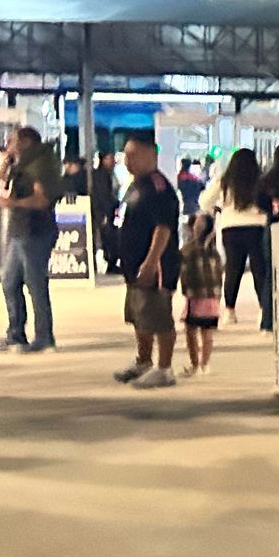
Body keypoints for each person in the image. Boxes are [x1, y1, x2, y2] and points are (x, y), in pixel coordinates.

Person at [112, 134, 182, 390]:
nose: (128, 160)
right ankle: (143, 361)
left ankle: (164, 369)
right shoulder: (135, 185)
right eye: (126, 155)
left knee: (159, 315)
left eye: (133, 155)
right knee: (139, 316)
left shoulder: (158, 187)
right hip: (133, 264)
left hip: (156, 265)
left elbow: (163, 228)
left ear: (150, 155)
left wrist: (152, 261)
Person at [0, 126, 60, 354]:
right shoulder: (20, 166)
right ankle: (15, 334)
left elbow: (41, 200)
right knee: (9, 281)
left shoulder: (39, 165)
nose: (8, 144)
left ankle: (44, 336)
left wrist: (13, 204)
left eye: (12, 140)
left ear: (26, 142)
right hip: (19, 231)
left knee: (35, 284)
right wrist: (5, 166)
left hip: (35, 232)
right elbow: (2, 186)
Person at [207, 149, 271, 328]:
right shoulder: (261, 181)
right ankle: (263, 310)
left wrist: (219, 208)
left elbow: (204, 201)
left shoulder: (225, 181)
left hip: (231, 228)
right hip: (257, 227)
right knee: (260, 270)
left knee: (233, 269)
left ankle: (229, 311)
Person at [178, 213, 225, 379]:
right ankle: (204, 364)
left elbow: (183, 272)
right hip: (212, 296)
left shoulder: (188, 250)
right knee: (207, 331)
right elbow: (220, 273)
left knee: (191, 330)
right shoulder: (214, 252)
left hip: (196, 296)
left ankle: (195, 364)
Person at [91, 150, 120, 274]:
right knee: (107, 238)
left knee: (110, 237)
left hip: (109, 211)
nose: (113, 161)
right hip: (104, 211)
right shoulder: (101, 176)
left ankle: (111, 262)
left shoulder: (109, 174)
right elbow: (102, 196)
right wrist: (103, 213)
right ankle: (110, 262)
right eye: (110, 158)